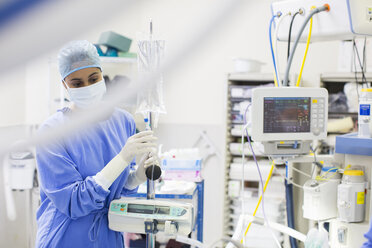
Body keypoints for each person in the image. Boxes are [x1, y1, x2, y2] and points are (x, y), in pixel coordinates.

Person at [35, 40, 158, 248]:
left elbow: (116, 189)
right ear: (65, 85)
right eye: (77, 83)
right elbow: (74, 202)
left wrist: (136, 176)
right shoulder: (51, 133)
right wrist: (121, 159)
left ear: (102, 74)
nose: (88, 87)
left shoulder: (123, 120)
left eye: (94, 78)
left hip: (108, 237)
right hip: (66, 237)